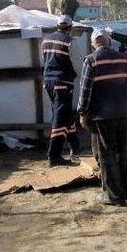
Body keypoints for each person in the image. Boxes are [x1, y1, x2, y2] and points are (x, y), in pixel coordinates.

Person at [78, 29, 127, 206]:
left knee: (107, 153)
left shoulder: (91, 60)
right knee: (123, 152)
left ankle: (112, 195)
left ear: (94, 43)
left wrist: (82, 112)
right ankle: (124, 190)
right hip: (124, 112)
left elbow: (85, 90)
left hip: (103, 115)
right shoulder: (124, 59)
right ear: (109, 41)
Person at [41, 15, 81, 166]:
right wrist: (81, 79)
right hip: (63, 83)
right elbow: (78, 65)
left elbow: (45, 60)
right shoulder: (70, 41)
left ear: (57, 26)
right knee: (60, 118)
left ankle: (75, 146)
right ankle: (54, 155)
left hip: (49, 83)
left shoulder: (46, 40)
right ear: (70, 28)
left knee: (65, 114)